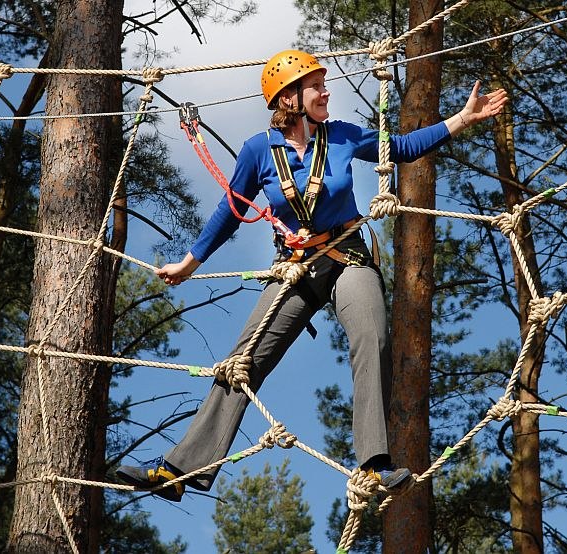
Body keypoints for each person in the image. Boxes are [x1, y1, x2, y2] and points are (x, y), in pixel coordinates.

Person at [116, 49, 508, 501]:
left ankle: (375, 464)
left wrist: (461, 119)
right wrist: (191, 261)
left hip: (347, 258)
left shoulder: (341, 137)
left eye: (324, 84)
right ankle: (179, 469)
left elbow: (400, 148)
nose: (326, 92)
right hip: (297, 267)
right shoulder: (259, 151)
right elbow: (232, 209)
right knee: (243, 361)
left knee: (373, 337)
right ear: (289, 99)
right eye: (316, 86)